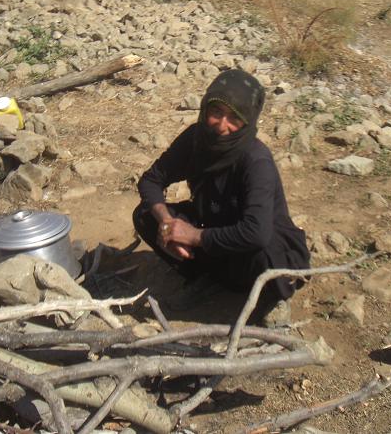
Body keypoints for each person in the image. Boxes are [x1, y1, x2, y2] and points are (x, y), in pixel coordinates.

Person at [133, 69, 310, 325]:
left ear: (248, 121)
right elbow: (151, 180)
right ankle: (208, 278)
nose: (221, 125)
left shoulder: (255, 160)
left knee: (265, 251)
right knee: (145, 215)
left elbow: (257, 232)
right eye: (216, 112)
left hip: (254, 248)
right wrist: (166, 223)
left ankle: (271, 298)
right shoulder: (196, 139)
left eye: (234, 117)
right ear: (205, 108)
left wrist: (193, 236)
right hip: (213, 231)